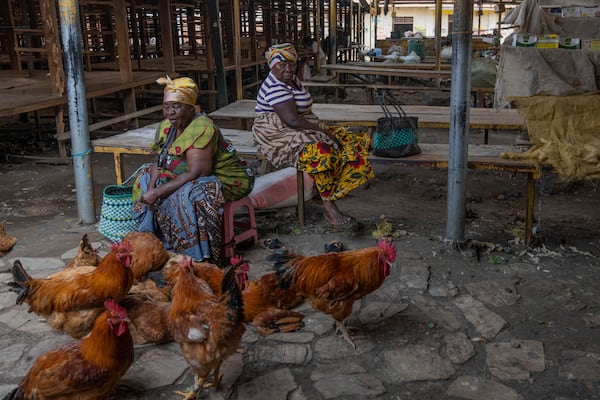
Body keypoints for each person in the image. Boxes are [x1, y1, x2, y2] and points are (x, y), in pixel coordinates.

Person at [132, 76, 254, 263]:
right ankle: (155, 239)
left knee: (193, 192)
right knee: (146, 176)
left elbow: (198, 173)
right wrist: (151, 190)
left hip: (228, 179)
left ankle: (196, 255)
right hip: (190, 172)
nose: (170, 112)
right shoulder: (167, 126)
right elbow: (160, 160)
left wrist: (158, 192)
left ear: (191, 108)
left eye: (177, 106)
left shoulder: (201, 127)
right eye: (167, 107)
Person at [252, 43, 374, 225]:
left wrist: (324, 131)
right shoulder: (275, 87)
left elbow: (299, 118)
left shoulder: (291, 78)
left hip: (298, 125)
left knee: (347, 139)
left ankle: (326, 187)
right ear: (272, 66)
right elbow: (292, 121)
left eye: (291, 64)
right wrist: (323, 132)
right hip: (279, 134)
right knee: (322, 152)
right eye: (282, 65)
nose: (287, 69)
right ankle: (328, 203)